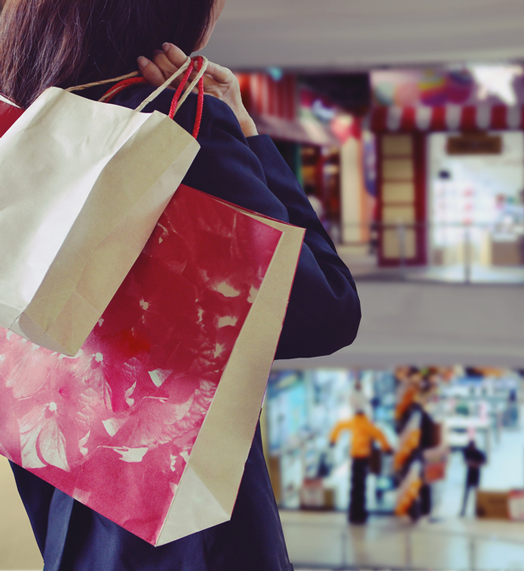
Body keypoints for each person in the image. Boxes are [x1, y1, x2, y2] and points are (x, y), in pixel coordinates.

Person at [0, 2, 361, 569]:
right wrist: (244, 132)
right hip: (180, 525)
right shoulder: (178, 126)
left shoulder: (23, 131)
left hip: (66, 502)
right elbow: (326, 312)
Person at [330, 411, 392, 525]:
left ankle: (354, 514)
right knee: (361, 487)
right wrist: (387, 448)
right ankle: (360, 514)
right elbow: (380, 434)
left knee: (354, 486)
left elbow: (338, 426)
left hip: (355, 458)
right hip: (363, 459)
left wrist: (333, 440)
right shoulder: (367, 425)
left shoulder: (352, 422)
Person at [460, 439, 487, 517]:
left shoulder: (478, 453)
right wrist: (469, 463)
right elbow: (465, 460)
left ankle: (476, 510)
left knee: (476, 494)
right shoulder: (467, 452)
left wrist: (476, 464)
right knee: (466, 493)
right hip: (469, 474)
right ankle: (463, 510)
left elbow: (484, 461)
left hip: (476, 474)